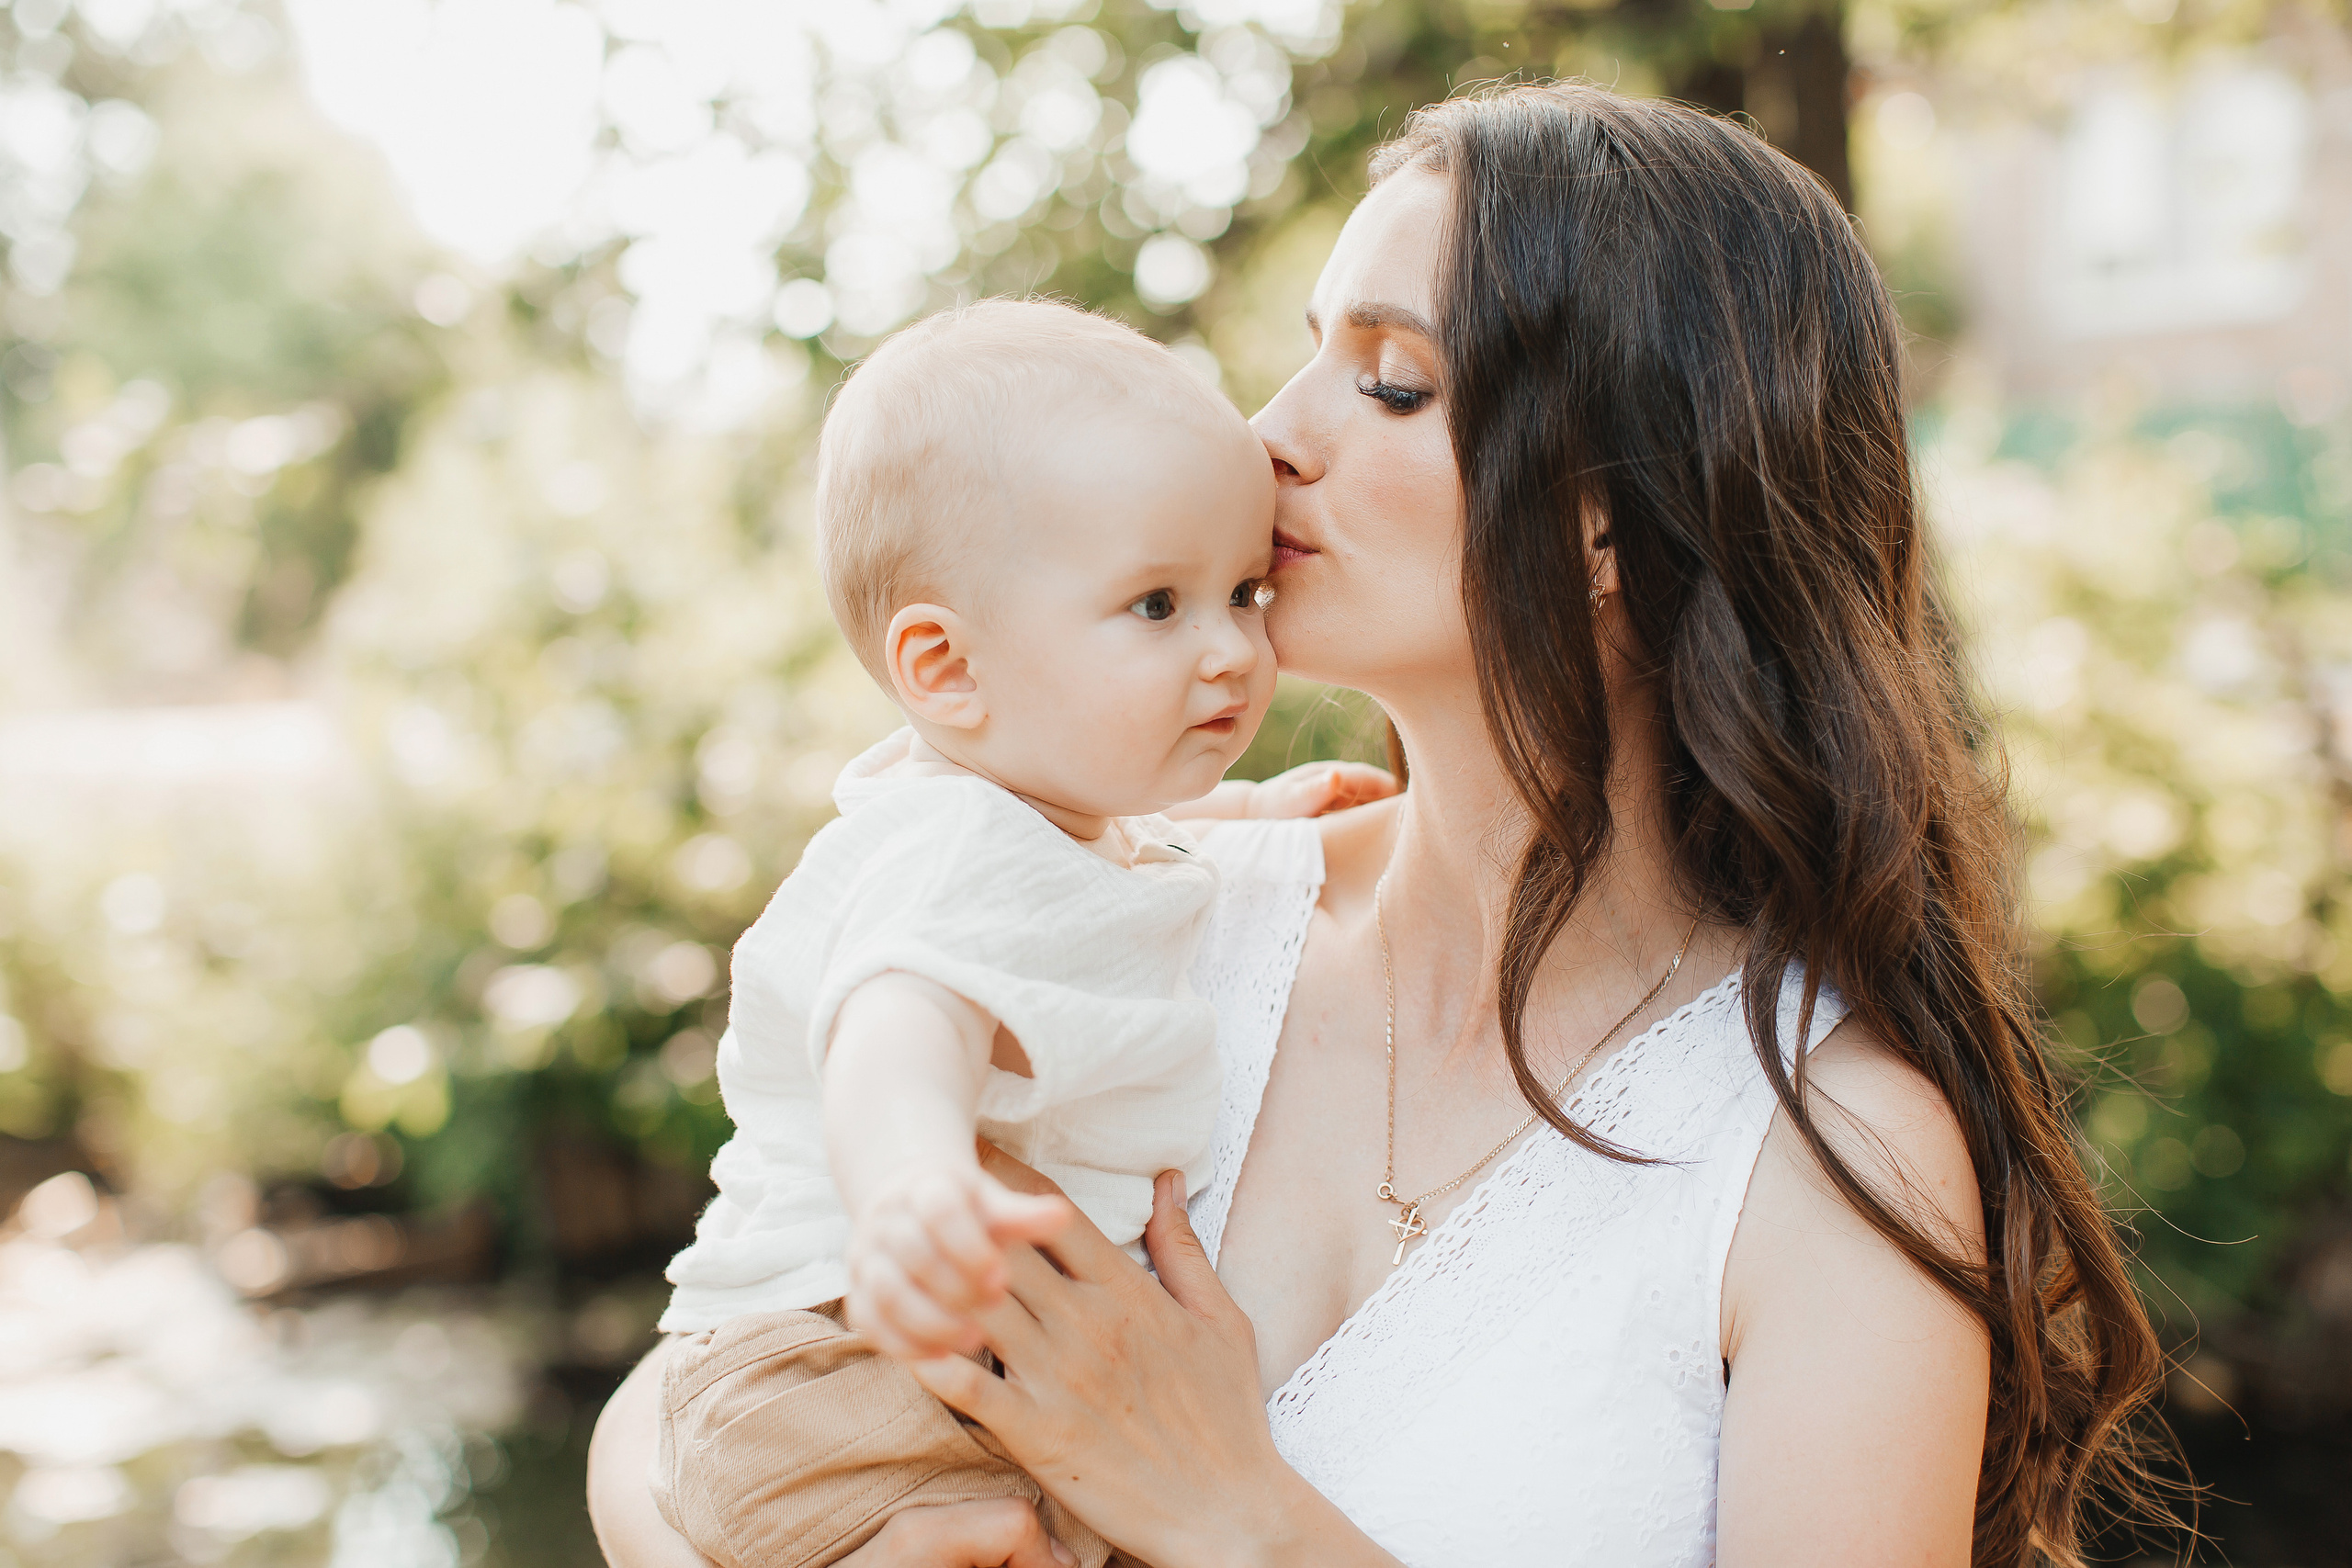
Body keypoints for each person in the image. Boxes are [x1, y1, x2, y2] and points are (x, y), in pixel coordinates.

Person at [592, 83, 2164, 1568]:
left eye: (1390, 380)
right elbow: (680, 1396)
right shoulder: (1137, 894)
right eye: (1302, 355)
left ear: (1613, 512)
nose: (1272, 431)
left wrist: (1244, 1520)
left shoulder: (1824, 1151)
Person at [647, 299, 1380, 1568]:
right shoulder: (956, 854)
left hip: (863, 1370)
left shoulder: (1031, 816)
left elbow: (1114, 852)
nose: (1233, 654)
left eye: (1244, 593)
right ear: (946, 669)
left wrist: (1255, 807)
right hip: (841, 1370)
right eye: (1157, 606)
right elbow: (894, 1019)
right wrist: (914, 1183)